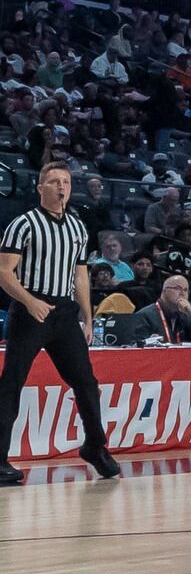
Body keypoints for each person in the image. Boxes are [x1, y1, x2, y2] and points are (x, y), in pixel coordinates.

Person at [0, 163, 123, 484]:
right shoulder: (23, 224)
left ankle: (95, 446)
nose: (61, 186)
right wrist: (30, 301)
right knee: (11, 384)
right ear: (41, 188)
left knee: (86, 383)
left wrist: (87, 316)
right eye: (54, 181)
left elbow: (80, 274)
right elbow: (3, 271)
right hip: (31, 311)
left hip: (65, 313)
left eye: (66, 181)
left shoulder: (77, 228)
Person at [131, 274, 191, 344]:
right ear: (164, 290)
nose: (182, 293)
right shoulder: (144, 316)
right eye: (177, 288)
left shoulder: (184, 316)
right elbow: (137, 347)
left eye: (185, 290)